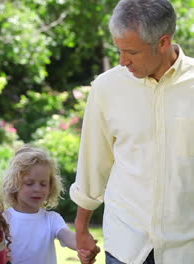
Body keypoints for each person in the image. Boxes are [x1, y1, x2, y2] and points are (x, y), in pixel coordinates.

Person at [70, 0, 194, 263]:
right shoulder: (107, 88)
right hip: (127, 245)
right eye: (119, 50)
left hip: (186, 248)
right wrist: (81, 229)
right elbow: (93, 162)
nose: (122, 61)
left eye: (132, 52)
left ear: (163, 42)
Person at [2, 145, 82, 264]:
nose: (37, 189)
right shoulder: (3, 219)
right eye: (29, 183)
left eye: (43, 184)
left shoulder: (51, 219)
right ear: (14, 184)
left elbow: (67, 236)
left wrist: (82, 243)